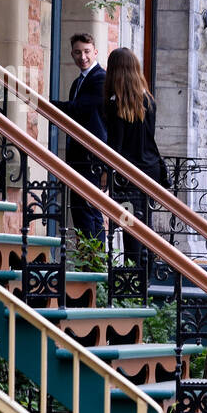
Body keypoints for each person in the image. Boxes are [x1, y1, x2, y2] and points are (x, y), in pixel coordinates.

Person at [102, 48, 168, 267]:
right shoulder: (149, 101)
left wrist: (106, 173)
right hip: (150, 169)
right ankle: (143, 278)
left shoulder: (115, 104)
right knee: (143, 226)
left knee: (130, 226)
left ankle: (134, 280)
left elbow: (116, 146)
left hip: (128, 174)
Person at [62, 33, 108, 242]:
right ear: (72, 54)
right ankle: (90, 261)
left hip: (91, 157)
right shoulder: (76, 83)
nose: (82, 57)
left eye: (87, 52)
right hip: (78, 156)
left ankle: (94, 263)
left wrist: (42, 103)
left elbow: (79, 109)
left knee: (89, 211)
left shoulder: (100, 78)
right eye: (78, 52)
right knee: (81, 210)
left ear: (95, 52)